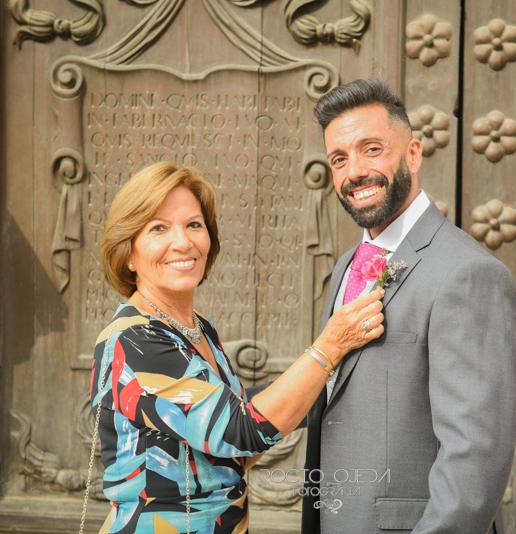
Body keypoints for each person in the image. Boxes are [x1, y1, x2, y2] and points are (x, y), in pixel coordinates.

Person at [89, 162, 385, 533]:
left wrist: (338, 381)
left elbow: (238, 437)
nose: (182, 242)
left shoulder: (198, 328)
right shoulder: (136, 341)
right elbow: (243, 430)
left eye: (194, 224)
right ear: (128, 253)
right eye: (158, 228)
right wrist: (331, 346)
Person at [301, 78, 516, 533]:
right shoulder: (347, 266)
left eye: (371, 150)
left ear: (414, 154)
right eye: (339, 159)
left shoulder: (468, 273)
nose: (354, 172)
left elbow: (474, 461)